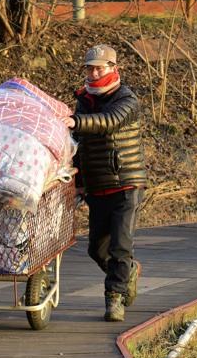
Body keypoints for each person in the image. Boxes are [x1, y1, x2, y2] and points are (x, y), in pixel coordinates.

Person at [60, 44, 148, 322]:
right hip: (97, 185)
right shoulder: (85, 100)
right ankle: (127, 272)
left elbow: (108, 122)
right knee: (97, 249)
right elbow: (81, 145)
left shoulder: (127, 99)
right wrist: (80, 181)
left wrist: (74, 121)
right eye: (90, 68)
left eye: (100, 67)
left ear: (113, 68)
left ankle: (114, 300)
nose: (95, 72)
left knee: (120, 245)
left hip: (126, 182)